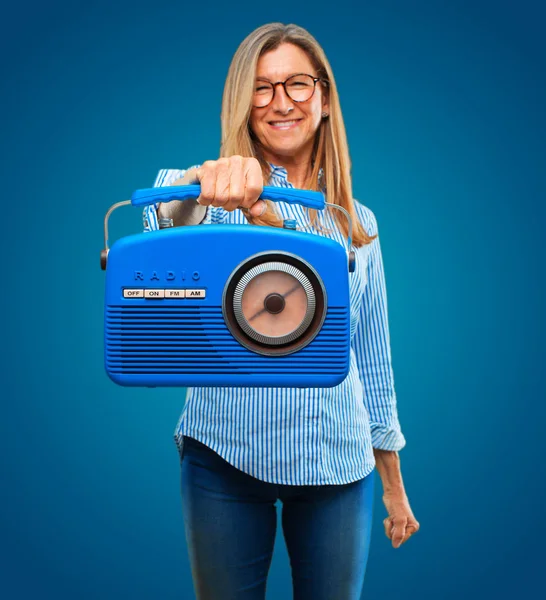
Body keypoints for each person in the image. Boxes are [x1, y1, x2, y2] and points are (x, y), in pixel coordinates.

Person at [143, 22, 419, 600]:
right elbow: (161, 216)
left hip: (337, 467)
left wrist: (394, 489)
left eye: (296, 84)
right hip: (223, 455)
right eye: (262, 88)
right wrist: (201, 181)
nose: (281, 102)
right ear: (244, 104)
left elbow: (372, 359)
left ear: (323, 98)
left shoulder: (357, 225)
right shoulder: (216, 200)